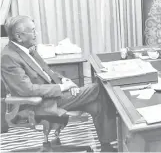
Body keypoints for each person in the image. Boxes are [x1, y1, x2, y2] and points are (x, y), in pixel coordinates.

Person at [1, 15, 117, 152]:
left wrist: (64, 81)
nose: (36, 34)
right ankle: (112, 142)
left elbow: (48, 72)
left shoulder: (27, 49)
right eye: (32, 31)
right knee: (101, 87)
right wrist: (62, 88)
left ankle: (106, 146)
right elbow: (27, 89)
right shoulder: (9, 57)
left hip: (51, 96)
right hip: (36, 103)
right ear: (19, 37)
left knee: (96, 104)